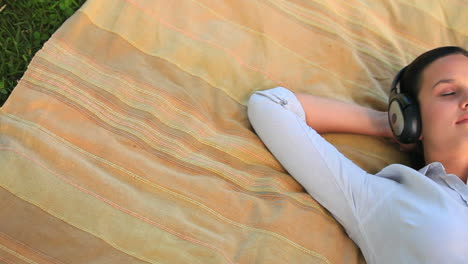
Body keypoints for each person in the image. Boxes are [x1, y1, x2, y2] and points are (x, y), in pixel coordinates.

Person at [247, 46, 468, 264]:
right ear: (411, 119)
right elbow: (271, 105)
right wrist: (387, 123)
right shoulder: (382, 200)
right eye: (448, 92)